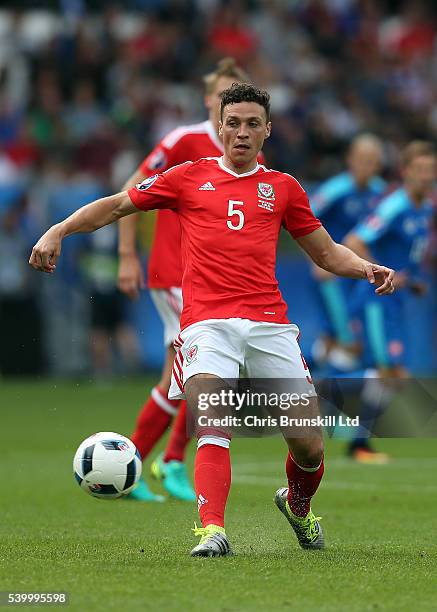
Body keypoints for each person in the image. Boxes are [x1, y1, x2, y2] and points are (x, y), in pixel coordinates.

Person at [29, 83, 394, 557]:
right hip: (206, 322)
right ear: (219, 126)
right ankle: (212, 530)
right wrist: (58, 230)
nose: (241, 132)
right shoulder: (186, 177)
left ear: (267, 131)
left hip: (269, 324)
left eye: (252, 124)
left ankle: (299, 506)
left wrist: (365, 268)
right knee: (212, 419)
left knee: (309, 447)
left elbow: (325, 253)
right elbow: (118, 205)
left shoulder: (283, 188)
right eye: (233, 122)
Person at [117, 58, 257, 502]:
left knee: (181, 375)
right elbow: (131, 188)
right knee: (203, 369)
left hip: (216, 280)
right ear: (209, 100)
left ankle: (135, 464)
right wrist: (126, 255)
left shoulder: (246, 147)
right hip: (176, 272)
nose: (229, 107)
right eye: (221, 97)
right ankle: (166, 459)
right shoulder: (184, 139)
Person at [344, 140, 436, 457]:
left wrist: (413, 281)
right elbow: (354, 240)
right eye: (420, 170)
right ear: (405, 171)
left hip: (394, 303)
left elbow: (410, 254)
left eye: (431, 171)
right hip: (375, 301)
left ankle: (359, 441)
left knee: (392, 375)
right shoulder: (393, 206)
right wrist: (383, 273)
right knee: (389, 372)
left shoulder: (425, 208)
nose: (427, 176)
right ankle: (355, 438)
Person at [310, 134, 385, 374]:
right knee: (347, 341)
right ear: (350, 160)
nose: (366, 166)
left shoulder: (382, 194)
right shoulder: (335, 190)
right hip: (333, 274)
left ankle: (313, 366)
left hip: (362, 276)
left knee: (346, 340)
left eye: (372, 161)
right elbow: (301, 219)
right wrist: (315, 259)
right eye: (362, 159)